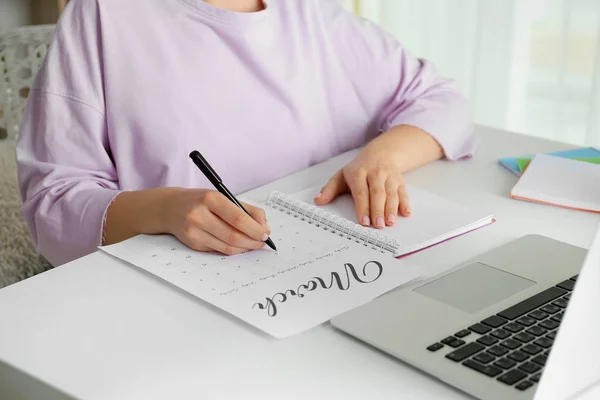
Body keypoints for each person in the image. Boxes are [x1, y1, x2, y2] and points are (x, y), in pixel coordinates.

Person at [16, 0, 475, 267]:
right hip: (176, 291)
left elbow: (442, 100)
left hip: (334, 271)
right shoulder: (104, 13)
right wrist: (164, 208)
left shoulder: (310, 13)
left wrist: (385, 157)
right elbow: (52, 202)